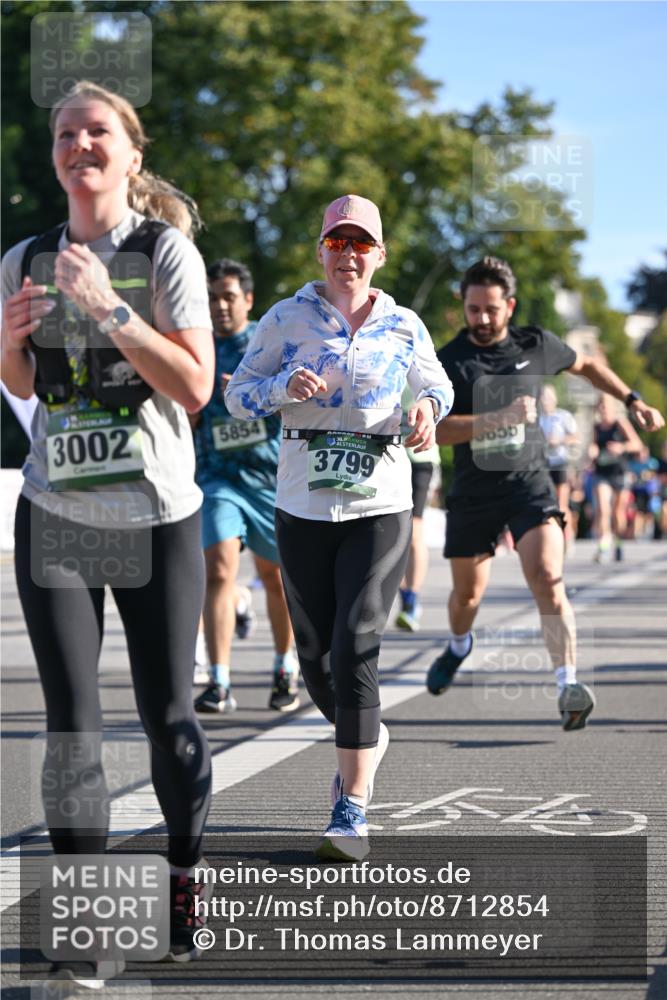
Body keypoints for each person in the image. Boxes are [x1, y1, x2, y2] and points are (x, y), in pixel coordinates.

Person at [1, 81, 215, 982]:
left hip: (157, 516)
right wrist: (8, 338)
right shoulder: (23, 255)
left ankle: (183, 878)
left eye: (97, 132)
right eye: (65, 133)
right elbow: (18, 386)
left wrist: (112, 309)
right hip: (57, 511)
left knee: (167, 718)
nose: (78, 144)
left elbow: (196, 388)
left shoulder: (163, 251)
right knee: (72, 725)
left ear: (130, 155)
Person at [225, 194, 453, 860]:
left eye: (361, 245)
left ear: (378, 255)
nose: (347, 255)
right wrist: (277, 391)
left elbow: (437, 384)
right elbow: (237, 393)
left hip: (379, 505)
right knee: (317, 665)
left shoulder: (403, 324)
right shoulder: (284, 318)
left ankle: (350, 806)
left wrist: (427, 412)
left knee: (358, 642)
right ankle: (364, 730)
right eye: (336, 243)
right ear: (320, 250)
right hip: (301, 506)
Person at [428, 256, 664, 730]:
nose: (482, 319)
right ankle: (459, 645)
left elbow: (590, 366)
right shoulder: (449, 360)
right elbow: (436, 431)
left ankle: (567, 684)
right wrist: (498, 419)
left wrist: (632, 400)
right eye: (474, 309)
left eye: (491, 309)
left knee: (548, 577)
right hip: (474, 493)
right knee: (466, 598)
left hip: (529, 488)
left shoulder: (535, 344)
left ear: (509, 306)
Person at [191, 258, 298, 713]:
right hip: (217, 479)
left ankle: (284, 667)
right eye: (211, 298)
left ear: (248, 300)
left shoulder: (268, 341)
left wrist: (256, 394)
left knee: (277, 578)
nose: (219, 306)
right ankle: (219, 681)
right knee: (218, 569)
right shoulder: (194, 344)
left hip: (268, 479)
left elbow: (298, 399)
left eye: (228, 297)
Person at [394, 384, 441, 631]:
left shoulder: (422, 361)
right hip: (385, 455)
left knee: (414, 532)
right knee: (391, 531)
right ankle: (401, 593)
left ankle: (412, 598)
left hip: (420, 459)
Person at [590, 395, 642, 561]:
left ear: (613, 407)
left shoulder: (620, 424)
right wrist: (591, 452)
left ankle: (618, 541)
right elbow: (593, 446)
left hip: (619, 472)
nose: (603, 409)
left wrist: (621, 447)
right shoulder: (596, 427)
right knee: (603, 508)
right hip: (601, 472)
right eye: (601, 405)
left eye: (606, 405)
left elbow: (637, 444)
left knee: (618, 512)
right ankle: (604, 544)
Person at [539, 384, 579, 547]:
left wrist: (559, 441)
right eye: (542, 396)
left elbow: (575, 438)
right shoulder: (536, 418)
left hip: (560, 463)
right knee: (545, 503)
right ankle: (550, 538)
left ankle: (567, 536)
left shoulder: (563, 416)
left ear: (555, 398)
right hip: (543, 465)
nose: (545, 400)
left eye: (548, 396)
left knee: (561, 504)